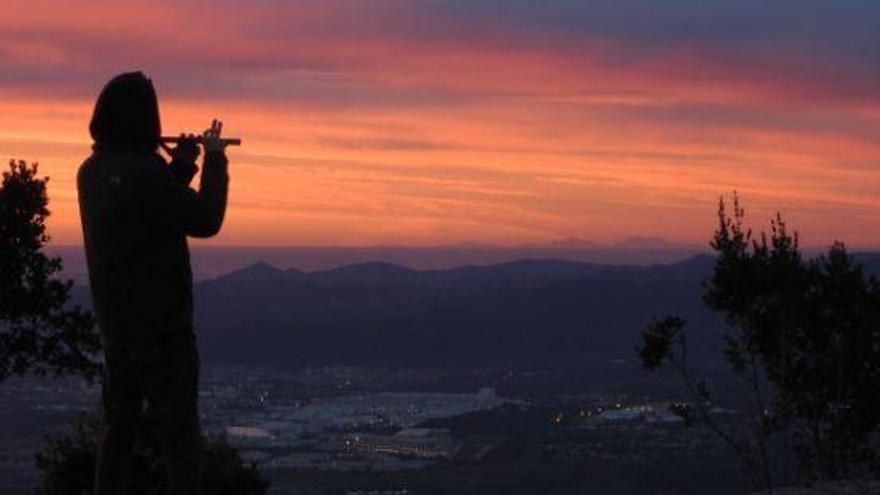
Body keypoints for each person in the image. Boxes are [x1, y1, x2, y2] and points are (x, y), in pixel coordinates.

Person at [77, 71, 230, 495]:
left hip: (116, 331)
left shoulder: (91, 172)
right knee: (179, 436)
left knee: (118, 431)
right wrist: (214, 158)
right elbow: (204, 219)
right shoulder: (144, 172)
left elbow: (145, 208)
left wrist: (179, 166)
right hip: (164, 329)